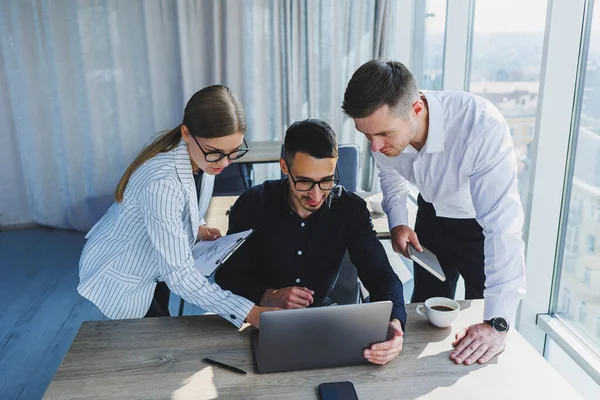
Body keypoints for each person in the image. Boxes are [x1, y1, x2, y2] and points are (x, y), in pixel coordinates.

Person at [342, 59, 526, 365]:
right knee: (425, 311)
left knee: (485, 321)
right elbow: (390, 177)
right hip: (429, 215)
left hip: (478, 227)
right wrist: (399, 222)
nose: (374, 147)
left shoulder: (481, 127)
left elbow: (502, 229)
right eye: (366, 136)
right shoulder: (383, 133)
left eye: (384, 135)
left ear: (415, 109)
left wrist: (498, 323)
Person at [78, 85, 274, 328]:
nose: (225, 163)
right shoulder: (161, 182)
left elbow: (185, 201)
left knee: (159, 331)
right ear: (186, 133)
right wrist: (250, 312)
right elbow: (180, 276)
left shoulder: (202, 156)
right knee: (149, 343)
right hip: (123, 273)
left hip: (153, 266)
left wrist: (197, 225)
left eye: (233, 152)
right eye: (216, 153)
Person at [215, 119, 407, 365]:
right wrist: (268, 296)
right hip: (257, 325)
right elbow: (228, 276)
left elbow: (380, 274)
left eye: (326, 180)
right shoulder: (253, 204)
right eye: (304, 181)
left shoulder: (350, 209)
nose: (316, 195)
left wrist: (395, 323)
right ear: (284, 167)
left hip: (326, 324)